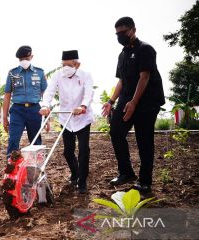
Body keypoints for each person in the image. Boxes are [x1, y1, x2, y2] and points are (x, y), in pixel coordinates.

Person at [102, 17, 165, 193]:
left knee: (144, 139)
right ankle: (126, 172)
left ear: (133, 30)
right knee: (116, 131)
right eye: (117, 33)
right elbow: (121, 80)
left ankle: (145, 181)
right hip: (127, 98)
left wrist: (134, 102)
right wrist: (111, 101)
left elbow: (144, 77)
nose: (120, 36)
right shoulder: (122, 54)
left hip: (147, 101)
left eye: (123, 32)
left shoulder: (146, 49)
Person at [40, 50, 94, 193]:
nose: (65, 68)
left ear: (77, 64)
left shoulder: (85, 76)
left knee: (83, 150)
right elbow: (49, 91)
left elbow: (89, 93)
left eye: (69, 65)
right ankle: (75, 173)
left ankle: (82, 181)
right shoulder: (58, 75)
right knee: (68, 152)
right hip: (66, 118)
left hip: (82, 117)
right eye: (63, 65)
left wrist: (83, 106)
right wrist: (45, 105)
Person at [3, 45, 47, 158]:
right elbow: (7, 96)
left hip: (35, 110)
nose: (24, 61)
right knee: (13, 140)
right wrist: (4, 118)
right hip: (17, 110)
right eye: (21, 59)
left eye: (26, 59)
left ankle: (37, 170)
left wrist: (47, 118)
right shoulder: (12, 73)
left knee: (36, 141)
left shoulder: (40, 73)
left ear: (31, 57)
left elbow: (45, 95)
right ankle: (12, 170)